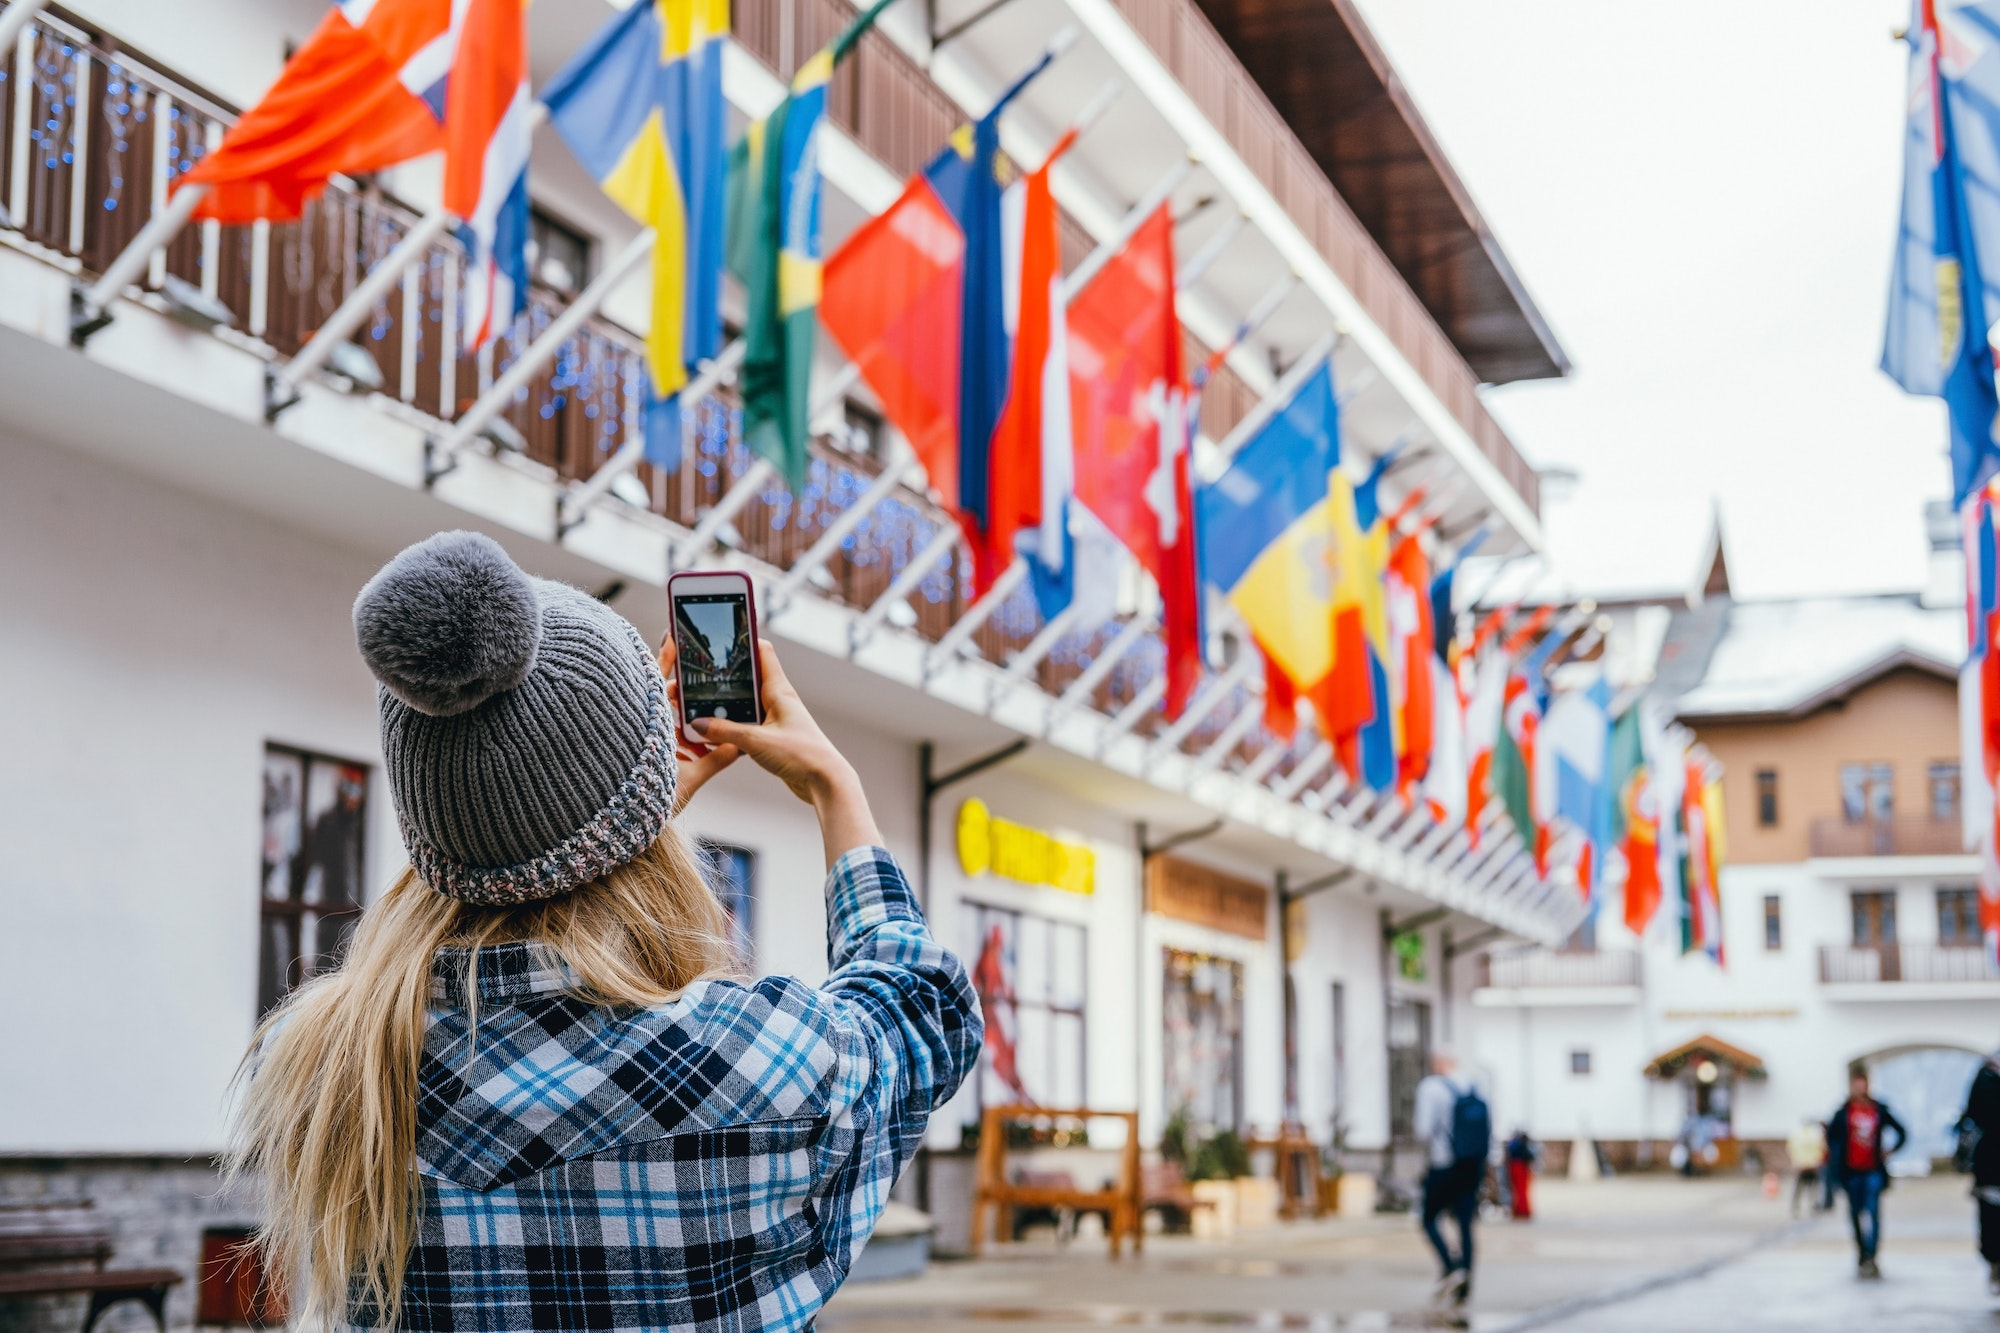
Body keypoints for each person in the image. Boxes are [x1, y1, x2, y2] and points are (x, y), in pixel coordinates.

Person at [228, 532, 982, 1332]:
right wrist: (836, 785)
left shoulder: (321, 1067)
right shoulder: (768, 1061)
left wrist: (593, 827)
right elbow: (925, 1004)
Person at [1412, 1050, 1489, 1308]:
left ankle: (1450, 1265)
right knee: (1465, 1223)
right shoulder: (1473, 1085)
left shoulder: (1431, 1087)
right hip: (1471, 1164)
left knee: (1428, 1218)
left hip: (1443, 1163)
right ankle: (1465, 1283)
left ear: (1436, 1062)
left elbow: (1423, 1128)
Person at [1824, 1067, 1907, 1280]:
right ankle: (1862, 1253)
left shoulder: (1878, 1109)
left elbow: (1902, 1131)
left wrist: (1890, 1151)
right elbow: (1831, 1137)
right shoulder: (1843, 1112)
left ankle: (1872, 1255)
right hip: (1851, 1171)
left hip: (1873, 1171)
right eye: (1856, 1084)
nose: (1860, 1088)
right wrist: (1835, 1160)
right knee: (1854, 1215)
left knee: (1873, 1213)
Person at [1960, 1047, 2000, 1295]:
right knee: (1990, 1217)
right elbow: (1976, 1112)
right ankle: (1994, 1260)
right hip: (1990, 1164)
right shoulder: (1985, 1079)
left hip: (1988, 1161)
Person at [1786, 1116, 1828, 1218]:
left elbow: (1790, 1148)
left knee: (1798, 1188)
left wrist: (1795, 1161)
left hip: (1800, 1164)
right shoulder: (1816, 1134)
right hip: (1813, 1164)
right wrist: (1818, 1161)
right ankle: (1813, 1207)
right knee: (1814, 1187)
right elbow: (1823, 1148)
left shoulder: (1796, 1134)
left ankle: (1795, 1208)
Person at [1504, 1129, 1537, 1220]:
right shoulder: (1523, 1145)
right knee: (1522, 1191)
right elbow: (1529, 1158)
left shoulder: (1513, 1144)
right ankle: (1523, 1210)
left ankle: (1518, 1210)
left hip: (1514, 1167)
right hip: (1520, 1168)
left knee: (1517, 1191)